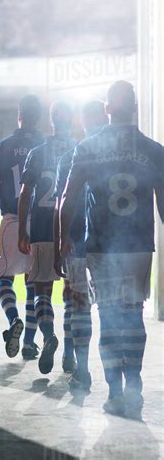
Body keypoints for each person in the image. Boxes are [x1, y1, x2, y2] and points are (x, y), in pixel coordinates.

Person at [60, 81, 164, 418]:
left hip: (101, 247)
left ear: (107, 109)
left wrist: (64, 239)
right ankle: (134, 387)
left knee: (107, 315)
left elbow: (68, 198)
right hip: (138, 247)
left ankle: (115, 392)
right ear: (134, 107)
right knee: (133, 314)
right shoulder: (154, 149)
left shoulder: (89, 147)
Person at [53, 100, 107, 391]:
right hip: (103, 241)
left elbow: (61, 202)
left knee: (76, 302)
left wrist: (60, 241)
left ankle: (77, 362)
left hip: (74, 241)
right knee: (109, 306)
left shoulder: (72, 155)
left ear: (83, 122)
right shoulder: (113, 155)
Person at [18, 101, 75, 374]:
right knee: (73, 293)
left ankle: (48, 335)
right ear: (72, 119)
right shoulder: (80, 150)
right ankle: (70, 355)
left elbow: (26, 194)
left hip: (41, 228)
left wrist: (21, 232)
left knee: (41, 290)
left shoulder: (38, 153)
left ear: (51, 121)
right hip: (72, 230)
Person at [0, 95, 43, 359]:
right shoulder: (45, 144)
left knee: (3, 278)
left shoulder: (4, 145)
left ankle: (13, 320)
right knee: (33, 281)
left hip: (11, 217)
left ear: (18, 115)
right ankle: (30, 343)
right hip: (41, 219)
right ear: (39, 117)